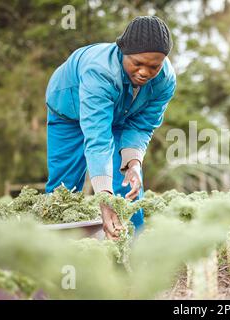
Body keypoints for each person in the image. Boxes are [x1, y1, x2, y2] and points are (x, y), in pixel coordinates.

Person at [45, 16, 176, 240]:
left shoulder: (165, 80)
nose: (145, 72)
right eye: (137, 63)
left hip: (119, 116)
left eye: (153, 66)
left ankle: (130, 253)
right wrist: (104, 199)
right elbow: (98, 139)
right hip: (68, 111)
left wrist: (134, 163)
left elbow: (142, 125)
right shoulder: (100, 71)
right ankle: (60, 255)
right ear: (122, 51)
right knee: (64, 191)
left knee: (128, 183)